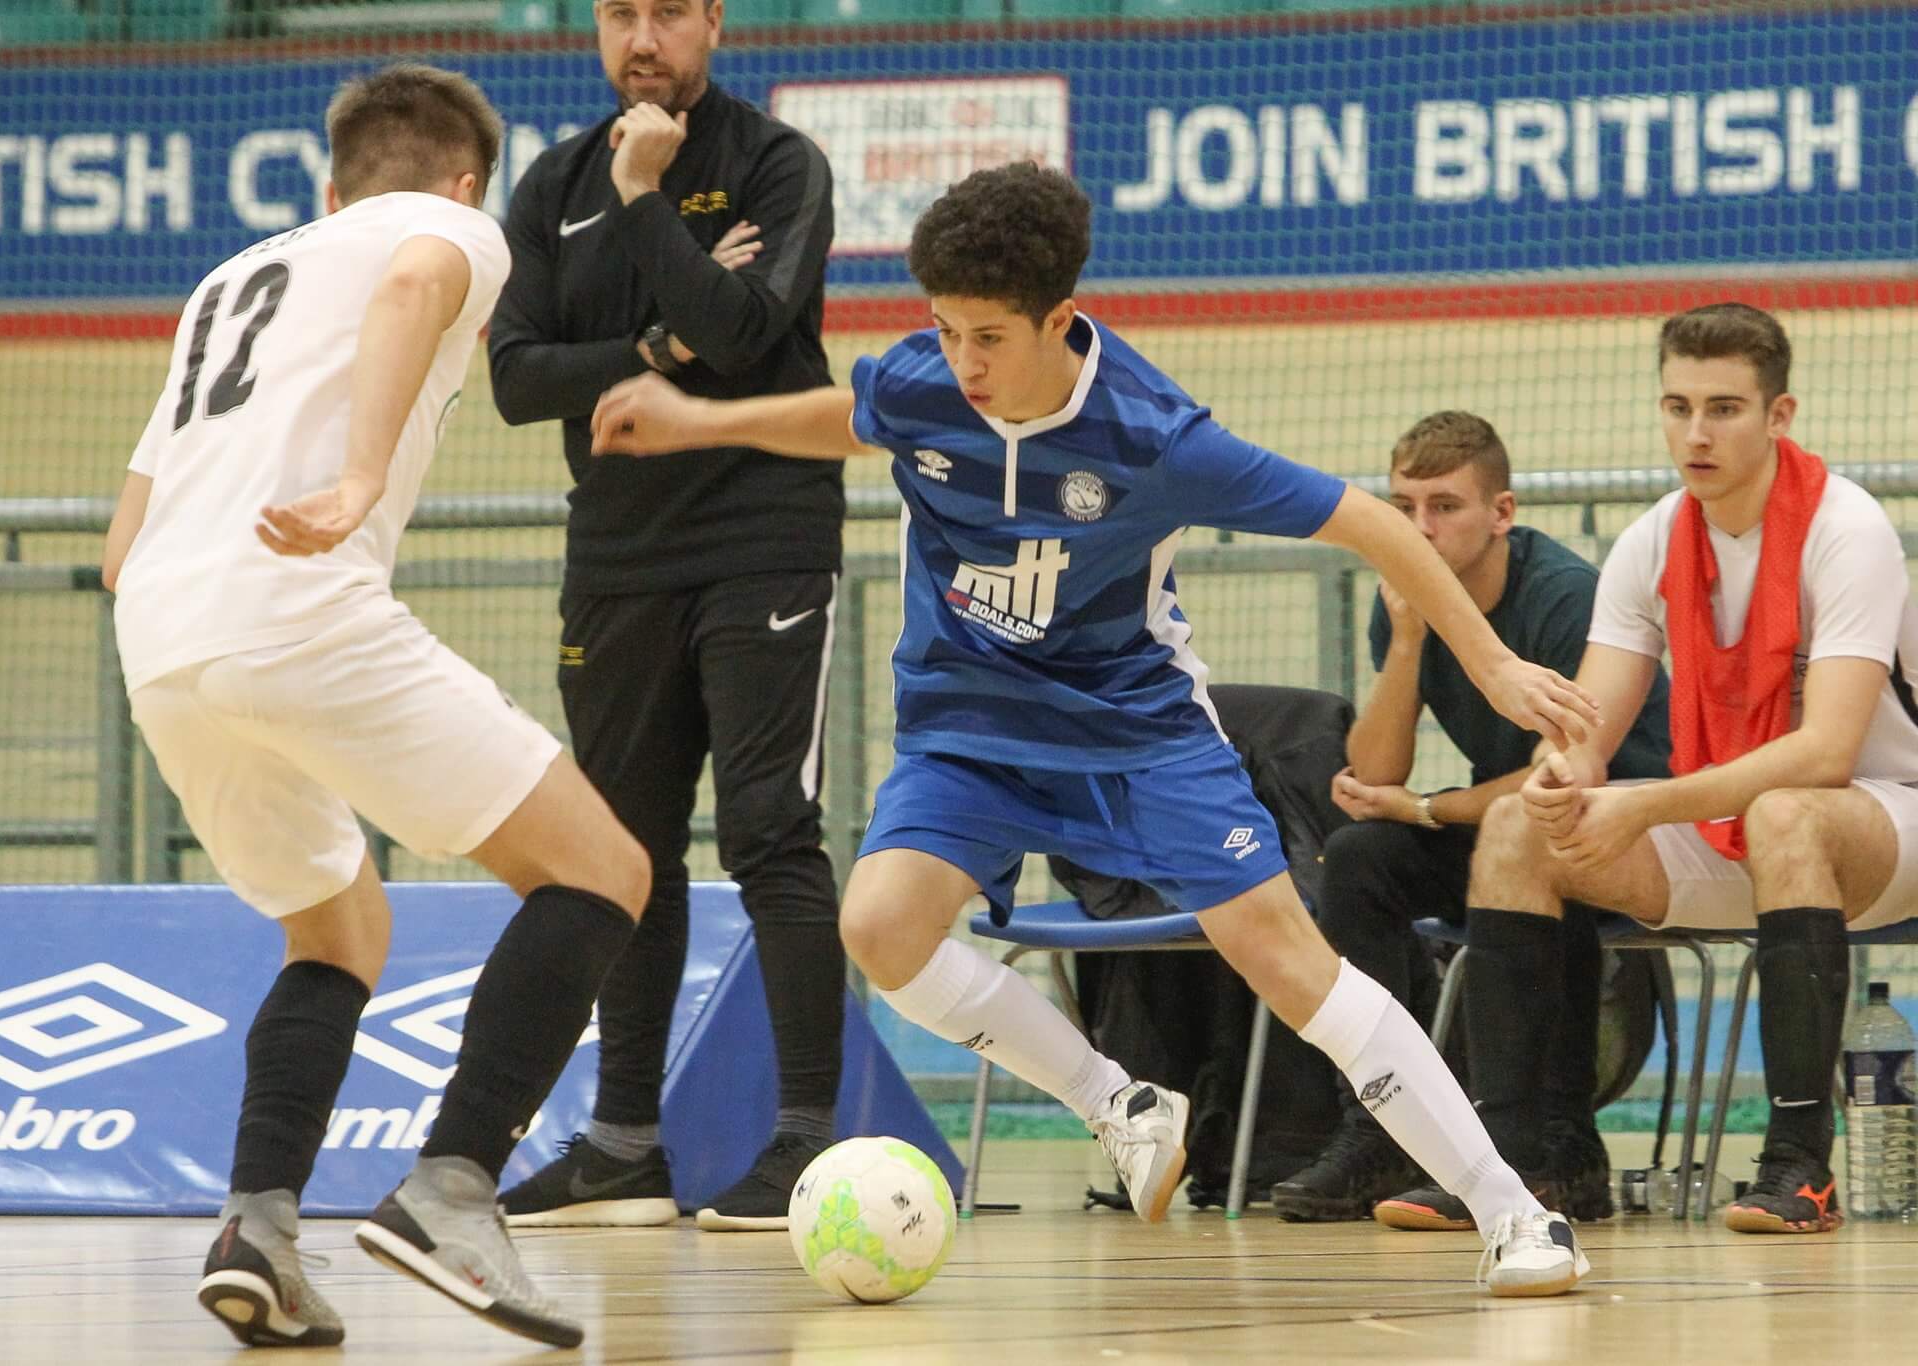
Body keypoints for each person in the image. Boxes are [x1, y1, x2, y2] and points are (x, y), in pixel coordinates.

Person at [589, 161, 1605, 1296]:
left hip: (1134, 729)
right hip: (967, 724)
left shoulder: (1154, 436)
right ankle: (1115, 1102)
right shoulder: (930, 382)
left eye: (985, 336)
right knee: (878, 927)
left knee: (1282, 954)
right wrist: (696, 420)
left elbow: (1367, 521)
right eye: (942, 329)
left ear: (1058, 321)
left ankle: (1514, 1213)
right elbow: (855, 412)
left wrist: (1494, 659)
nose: (960, 363)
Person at [101, 64, 649, 1349]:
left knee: (337, 925)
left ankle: (260, 1231)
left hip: (160, 638)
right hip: (293, 602)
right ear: (464, 182)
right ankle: (451, 1187)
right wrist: (354, 480)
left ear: (330, 184)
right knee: (602, 870)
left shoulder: (224, 283)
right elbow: (412, 283)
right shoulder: (452, 228)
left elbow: (124, 538)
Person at [486, 0, 848, 1232]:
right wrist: (649, 341)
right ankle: (622, 1148)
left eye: (668, 13)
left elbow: (745, 331)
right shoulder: (547, 183)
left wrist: (648, 200)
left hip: (765, 539)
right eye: (620, 13)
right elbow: (514, 377)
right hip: (617, 554)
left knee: (767, 831)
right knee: (618, 853)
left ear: (712, 23)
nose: (643, 38)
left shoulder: (777, 164)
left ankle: (805, 1138)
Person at [1463, 301, 1918, 1236]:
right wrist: (1562, 776)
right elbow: (1590, 726)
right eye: (1677, 407)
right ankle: (1514, 1167)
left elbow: (1830, 753)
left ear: (1779, 415)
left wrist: (1646, 805)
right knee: (1515, 826)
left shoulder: (1849, 529)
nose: (1695, 434)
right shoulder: (1654, 538)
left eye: (1723, 409)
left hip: (1886, 819)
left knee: (1787, 810)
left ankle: (1799, 1166)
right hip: (1741, 831)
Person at [1272, 412, 1674, 1228]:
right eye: (1404, 506)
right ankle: (1381, 1128)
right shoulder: (1409, 603)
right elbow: (1377, 771)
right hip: (1508, 828)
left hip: (1622, 833)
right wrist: (1413, 639)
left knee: (1521, 841)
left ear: (1503, 513)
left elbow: (1554, 776)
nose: (1420, 528)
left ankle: (1553, 1152)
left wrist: (1423, 810)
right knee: (1358, 857)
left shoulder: (1562, 598)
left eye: (1444, 507)